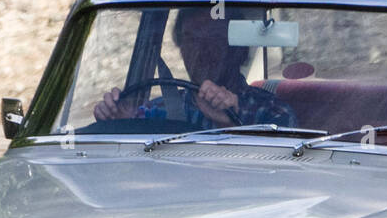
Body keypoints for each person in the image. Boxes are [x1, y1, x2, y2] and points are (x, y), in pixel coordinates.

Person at [93, 7, 295, 129]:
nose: (201, 50)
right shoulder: (158, 108)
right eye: (191, 40)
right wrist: (117, 121)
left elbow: (283, 176)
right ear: (180, 48)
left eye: (215, 39)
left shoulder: (272, 112)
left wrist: (231, 124)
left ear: (239, 51)